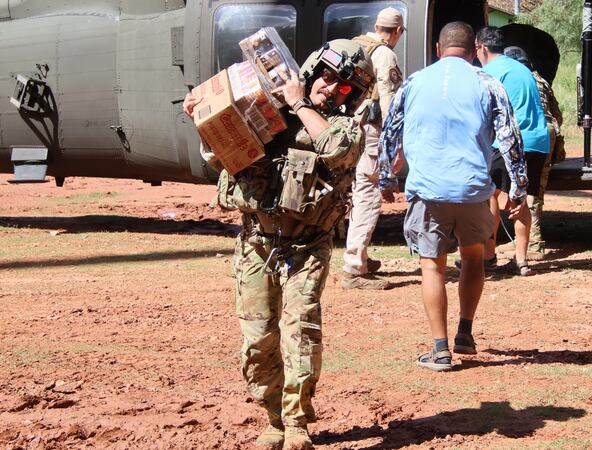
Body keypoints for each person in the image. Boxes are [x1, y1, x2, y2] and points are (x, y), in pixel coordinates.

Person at [183, 40, 374, 450]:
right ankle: (273, 417)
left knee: (300, 333)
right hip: (256, 244)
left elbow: (339, 151)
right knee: (257, 341)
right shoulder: (266, 114)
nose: (331, 88)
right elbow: (220, 158)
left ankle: (297, 425)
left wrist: (301, 104)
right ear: (312, 69)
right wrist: (204, 121)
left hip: (306, 249)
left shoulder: (343, 128)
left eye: (343, 88)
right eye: (327, 77)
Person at [379, 22, 526, 372]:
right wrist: (518, 187)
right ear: (475, 50)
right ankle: (465, 333)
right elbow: (510, 137)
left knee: (432, 264)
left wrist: (387, 177)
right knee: (473, 258)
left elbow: (389, 131)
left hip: (428, 188)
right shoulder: (487, 82)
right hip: (473, 187)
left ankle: (440, 349)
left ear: (436, 47)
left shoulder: (413, 83)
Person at [340, 7, 406, 290]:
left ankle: (361, 256)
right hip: (371, 132)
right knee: (368, 193)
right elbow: (390, 103)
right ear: (397, 31)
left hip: (348, 130)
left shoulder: (354, 45)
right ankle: (354, 268)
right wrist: (396, 145)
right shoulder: (385, 54)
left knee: (359, 191)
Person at [476, 27, 550, 273]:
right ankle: (521, 260)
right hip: (538, 141)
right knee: (522, 199)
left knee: (493, 195)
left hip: (509, 143)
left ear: (482, 48)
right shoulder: (522, 68)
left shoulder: (489, 72)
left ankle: (488, 256)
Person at [503, 45, 566, 258]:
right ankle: (525, 240)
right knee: (533, 189)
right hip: (545, 133)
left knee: (527, 189)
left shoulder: (512, 79)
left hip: (524, 133)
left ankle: (534, 244)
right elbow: (558, 115)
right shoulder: (540, 80)